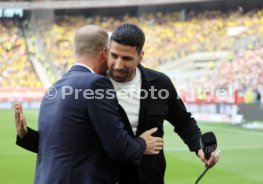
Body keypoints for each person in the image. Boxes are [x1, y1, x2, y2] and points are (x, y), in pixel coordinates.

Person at [15, 24, 219, 184]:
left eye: (127, 58)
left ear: (141, 56)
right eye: (114, 56)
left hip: (150, 179)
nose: (118, 64)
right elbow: (71, 142)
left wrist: (199, 148)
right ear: (106, 52)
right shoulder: (92, 85)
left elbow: (184, 122)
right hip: (111, 178)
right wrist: (28, 136)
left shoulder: (160, 84)